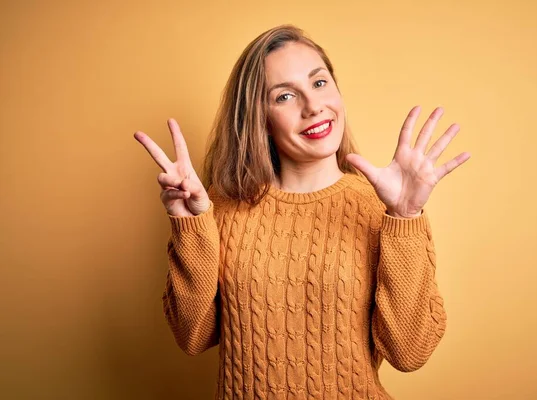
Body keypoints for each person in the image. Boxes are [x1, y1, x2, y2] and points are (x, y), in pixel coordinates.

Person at [134, 24, 470, 400]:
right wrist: (189, 223)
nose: (313, 106)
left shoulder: (382, 208)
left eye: (320, 83)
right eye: (285, 96)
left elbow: (410, 353)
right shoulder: (221, 208)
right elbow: (193, 337)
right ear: (259, 118)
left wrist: (406, 217)